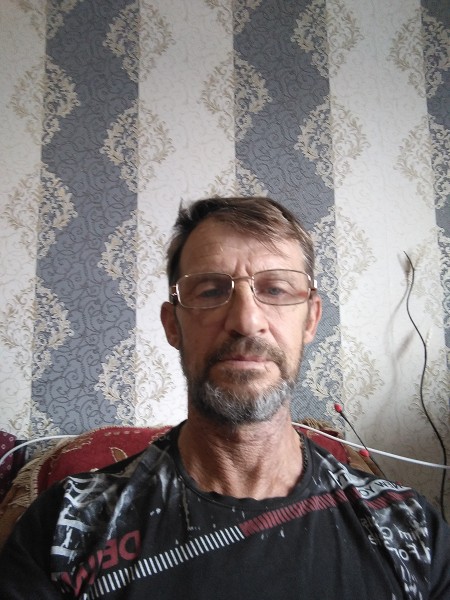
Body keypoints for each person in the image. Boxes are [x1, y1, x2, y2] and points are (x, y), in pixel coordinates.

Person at [0, 196, 448, 599]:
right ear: (173, 325)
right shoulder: (65, 527)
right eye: (212, 291)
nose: (247, 321)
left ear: (311, 320)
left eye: (275, 289)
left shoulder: (412, 529)